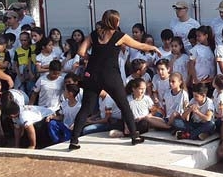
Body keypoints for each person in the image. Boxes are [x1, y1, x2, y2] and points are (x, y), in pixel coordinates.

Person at [69, 9, 160, 150]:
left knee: (86, 108)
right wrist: (153, 47)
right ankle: (135, 136)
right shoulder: (119, 36)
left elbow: (81, 52)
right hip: (110, 76)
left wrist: (90, 58)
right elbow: (140, 45)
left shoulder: (93, 35)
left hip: (92, 75)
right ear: (114, 21)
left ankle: (74, 140)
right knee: (124, 105)